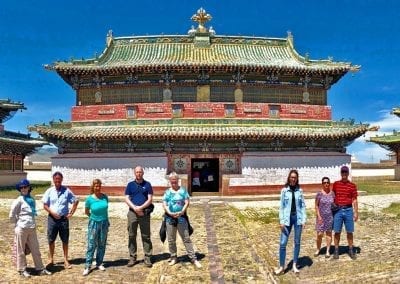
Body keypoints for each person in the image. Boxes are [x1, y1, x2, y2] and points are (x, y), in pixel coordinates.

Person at [9, 179, 52, 278]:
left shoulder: (31, 200)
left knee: (35, 249)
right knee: (21, 250)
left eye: (25, 187)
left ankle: (40, 268)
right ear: (20, 189)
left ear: (29, 187)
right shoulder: (18, 200)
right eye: (21, 187)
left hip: (31, 227)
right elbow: (11, 215)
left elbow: (32, 214)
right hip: (21, 228)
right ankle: (22, 269)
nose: (23, 189)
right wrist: (17, 224)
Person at [162, 172, 201, 268]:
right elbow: (164, 204)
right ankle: (174, 257)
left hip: (181, 218)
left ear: (178, 180)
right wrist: (169, 213)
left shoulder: (183, 191)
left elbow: (187, 202)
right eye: (172, 181)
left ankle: (193, 258)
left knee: (186, 238)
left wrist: (182, 211)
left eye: (175, 181)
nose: (174, 182)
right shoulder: (167, 192)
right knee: (171, 240)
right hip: (170, 218)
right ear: (170, 181)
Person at [42, 171, 79, 269]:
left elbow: (76, 201)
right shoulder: (49, 191)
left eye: (59, 179)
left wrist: (71, 213)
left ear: (61, 180)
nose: (57, 181)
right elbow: (45, 205)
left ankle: (66, 260)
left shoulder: (67, 191)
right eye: (56, 179)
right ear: (53, 180)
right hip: (52, 219)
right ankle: (51, 259)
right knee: (51, 240)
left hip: (63, 220)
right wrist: (52, 212)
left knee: (65, 240)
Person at [274, 169, 306, 275]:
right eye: (292, 177)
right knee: (283, 243)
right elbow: (281, 207)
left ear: (297, 179)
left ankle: (294, 264)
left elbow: (303, 206)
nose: (293, 179)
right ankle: (282, 267)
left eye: (295, 177)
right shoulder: (284, 191)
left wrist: (303, 220)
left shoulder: (300, 191)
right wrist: (281, 221)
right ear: (289, 178)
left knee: (297, 242)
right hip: (287, 219)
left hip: (297, 218)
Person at [125, 166, 153, 268]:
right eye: (137, 172)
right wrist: (135, 208)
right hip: (132, 212)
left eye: (140, 172)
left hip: (144, 213)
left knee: (146, 235)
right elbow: (127, 198)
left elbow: (150, 199)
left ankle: (148, 256)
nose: (138, 174)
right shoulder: (130, 185)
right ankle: (132, 257)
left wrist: (140, 208)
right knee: (131, 235)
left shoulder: (148, 185)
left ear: (143, 173)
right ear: (134, 173)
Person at [82, 179, 109, 276]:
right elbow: (86, 212)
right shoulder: (89, 199)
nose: (97, 188)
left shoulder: (105, 197)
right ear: (93, 187)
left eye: (99, 186)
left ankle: (99, 262)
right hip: (93, 223)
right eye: (96, 186)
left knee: (102, 243)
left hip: (104, 223)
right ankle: (88, 265)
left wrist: (104, 220)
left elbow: (105, 209)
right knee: (91, 244)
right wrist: (93, 218)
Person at [332, 166, 358, 260]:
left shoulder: (352, 186)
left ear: (348, 173)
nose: (344, 174)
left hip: (348, 210)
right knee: (337, 231)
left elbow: (354, 199)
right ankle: (336, 250)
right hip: (338, 210)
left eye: (345, 172)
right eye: (342, 172)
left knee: (349, 231)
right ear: (341, 173)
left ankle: (351, 249)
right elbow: (333, 195)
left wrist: (356, 212)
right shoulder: (336, 184)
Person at [314, 177, 334, 258]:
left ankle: (328, 250)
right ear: (322, 184)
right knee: (319, 234)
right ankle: (318, 249)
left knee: (328, 234)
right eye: (324, 182)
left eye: (327, 182)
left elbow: (335, 204)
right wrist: (318, 216)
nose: (326, 184)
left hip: (330, 217)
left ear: (329, 183)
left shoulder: (332, 194)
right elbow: (316, 205)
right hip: (321, 217)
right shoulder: (319, 194)